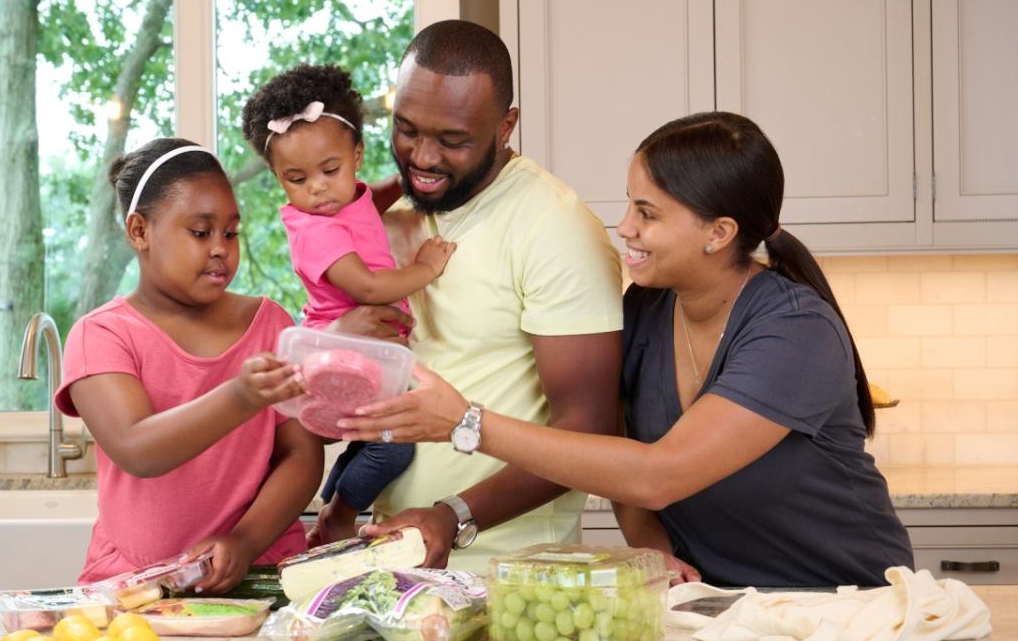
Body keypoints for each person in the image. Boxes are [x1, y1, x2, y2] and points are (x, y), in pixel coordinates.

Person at [342, 112, 916, 588]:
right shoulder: (647, 308)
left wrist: (465, 422)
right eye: (629, 204)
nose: (624, 227)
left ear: (717, 233)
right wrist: (653, 549)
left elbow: (658, 475)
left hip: (842, 605)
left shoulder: (794, 330)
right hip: (716, 607)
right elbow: (615, 455)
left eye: (647, 213)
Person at [341, 20, 626, 574]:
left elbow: (589, 432)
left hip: (510, 576)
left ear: (506, 125)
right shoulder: (399, 216)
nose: (422, 157)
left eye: (453, 140)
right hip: (396, 563)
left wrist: (451, 516)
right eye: (406, 129)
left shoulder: (554, 227)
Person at [54, 137, 324, 593]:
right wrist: (240, 396)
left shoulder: (269, 323)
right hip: (136, 585)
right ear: (139, 231)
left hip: (262, 571)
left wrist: (244, 541)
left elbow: (301, 455)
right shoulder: (101, 334)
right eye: (201, 233)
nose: (220, 248)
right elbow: (137, 448)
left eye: (231, 233)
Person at [241, 64, 456, 546]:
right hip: (342, 350)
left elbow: (372, 202)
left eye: (329, 171)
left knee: (367, 437)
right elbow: (367, 288)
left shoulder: (346, 200)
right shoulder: (314, 230)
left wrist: (415, 189)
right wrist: (425, 269)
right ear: (278, 179)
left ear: (356, 155)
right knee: (393, 448)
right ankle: (339, 512)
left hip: (366, 350)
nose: (316, 188)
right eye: (296, 179)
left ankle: (333, 503)